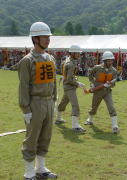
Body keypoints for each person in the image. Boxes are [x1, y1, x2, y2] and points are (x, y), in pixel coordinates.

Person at [18, 22, 57, 180]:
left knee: (46, 135)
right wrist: (25, 109)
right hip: (35, 102)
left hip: (48, 102)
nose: (48, 39)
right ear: (35, 38)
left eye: (48, 36)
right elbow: (23, 87)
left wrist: (54, 100)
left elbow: (54, 81)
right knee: (32, 137)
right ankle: (29, 172)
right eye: (44, 37)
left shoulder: (51, 58)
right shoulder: (27, 61)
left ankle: (40, 168)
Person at [85, 51, 119, 134]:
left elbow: (113, 83)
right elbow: (90, 75)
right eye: (108, 60)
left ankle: (115, 126)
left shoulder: (114, 71)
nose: (110, 62)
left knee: (111, 107)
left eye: (111, 60)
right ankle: (90, 119)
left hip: (107, 92)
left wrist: (109, 85)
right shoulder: (97, 68)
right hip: (97, 91)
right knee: (94, 107)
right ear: (104, 61)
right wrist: (93, 83)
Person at [55, 45, 86, 133]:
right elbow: (69, 79)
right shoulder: (71, 63)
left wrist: (75, 80)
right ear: (73, 53)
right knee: (75, 105)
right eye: (78, 53)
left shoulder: (68, 61)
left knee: (64, 102)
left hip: (67, 85)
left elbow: (68, 76)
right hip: (69, 86)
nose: (79, 55)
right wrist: (77, 83)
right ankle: (75, 126)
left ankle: (58, 118)